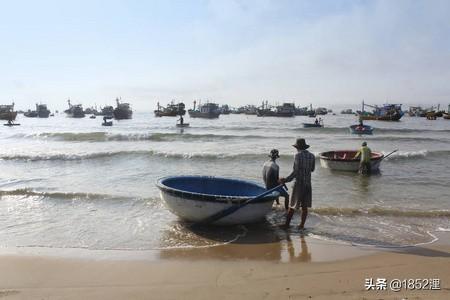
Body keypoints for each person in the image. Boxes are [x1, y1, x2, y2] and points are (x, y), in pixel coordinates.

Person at [279, 138, 315, 229]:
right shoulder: (312, 156)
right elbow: (312, 169)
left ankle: (287, 224)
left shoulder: (297, 155)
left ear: (297, 147)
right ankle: (301, 225)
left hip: (299, 183)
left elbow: (295, 172)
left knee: (292, 205)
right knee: (304, 206)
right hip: (308, 184)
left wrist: (286, 180)